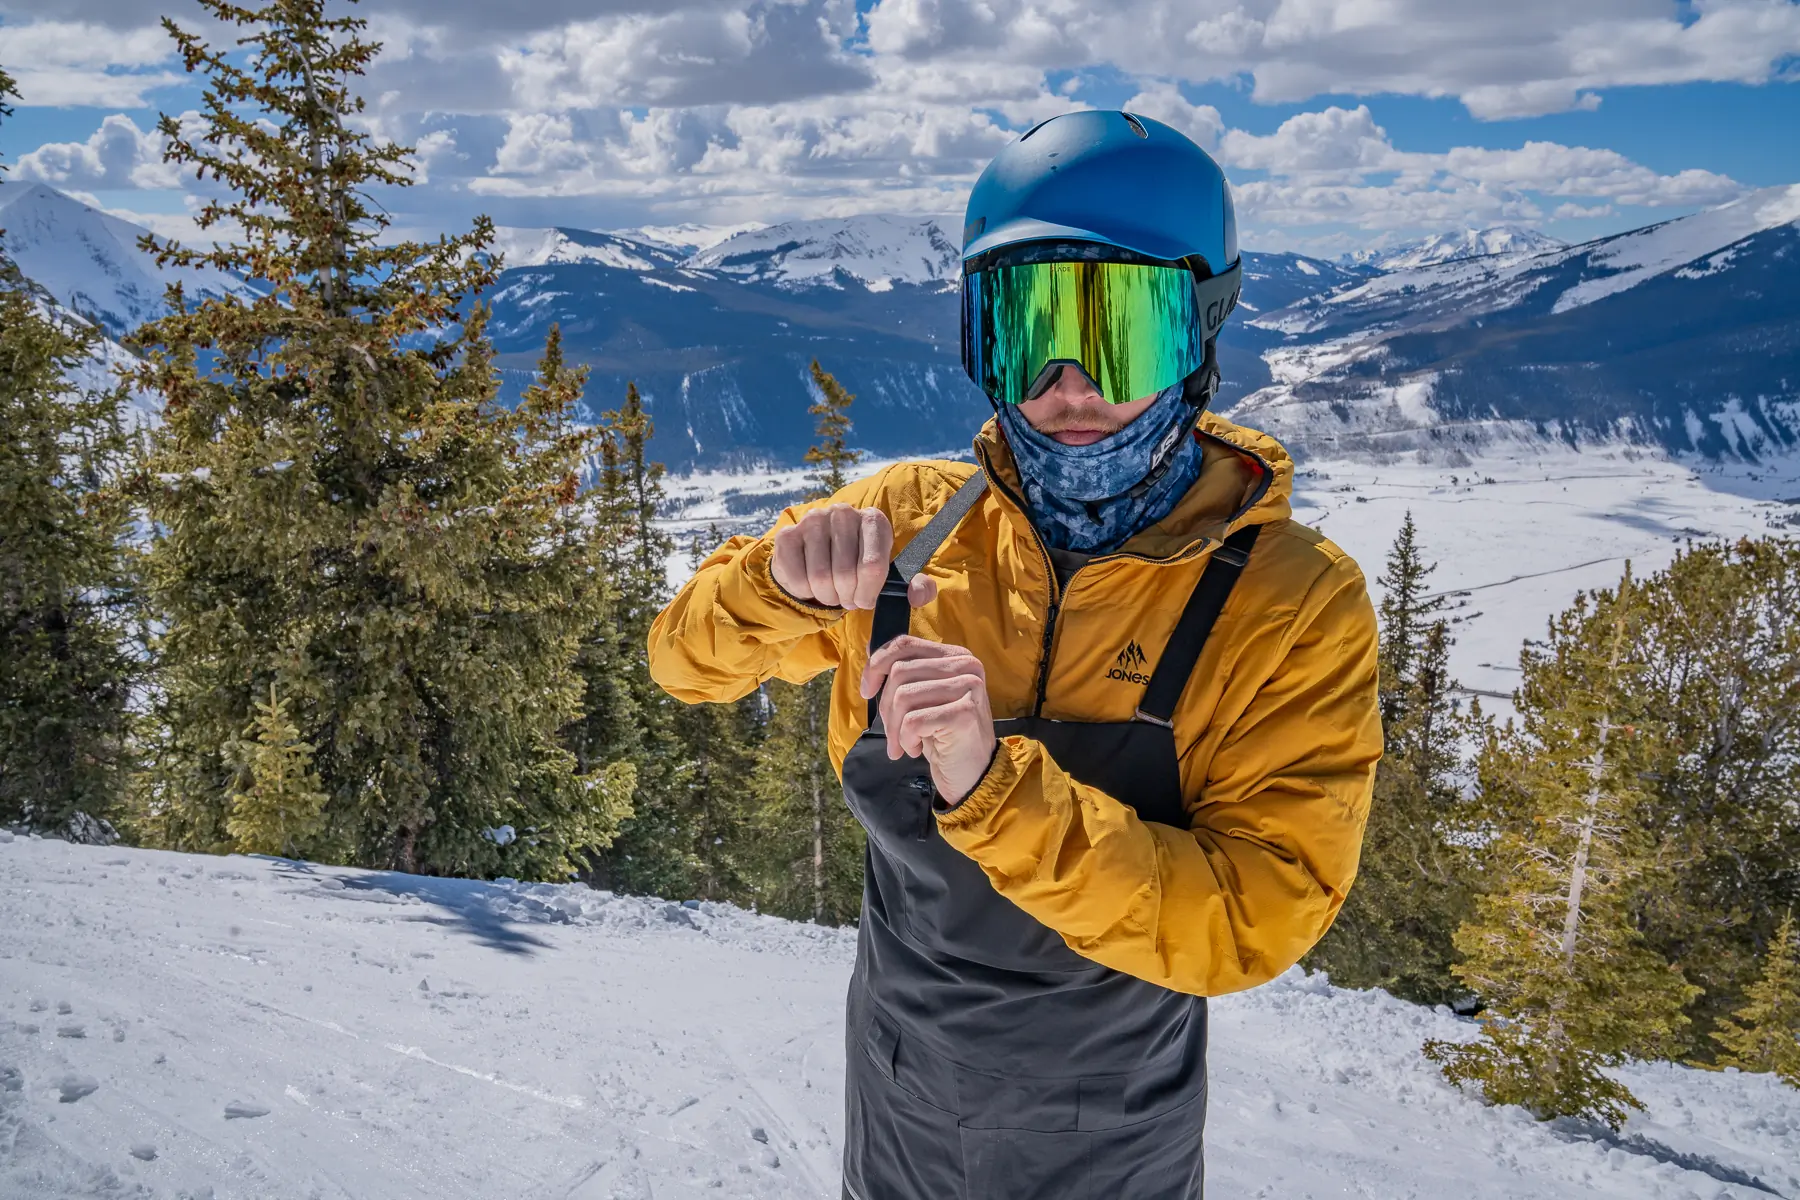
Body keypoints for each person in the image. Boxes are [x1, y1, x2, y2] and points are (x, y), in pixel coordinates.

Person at [648, 110, 1381, 1200]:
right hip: (901, 1091)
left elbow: (1256, 914)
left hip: (1113, 1129)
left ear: (1202, 336)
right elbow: (685, 663)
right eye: (1022, 330)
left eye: (1119, 333)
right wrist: (772, 584)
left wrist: (998, 791)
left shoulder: (1290, 604)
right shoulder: (906, 524)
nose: (1066, 387)